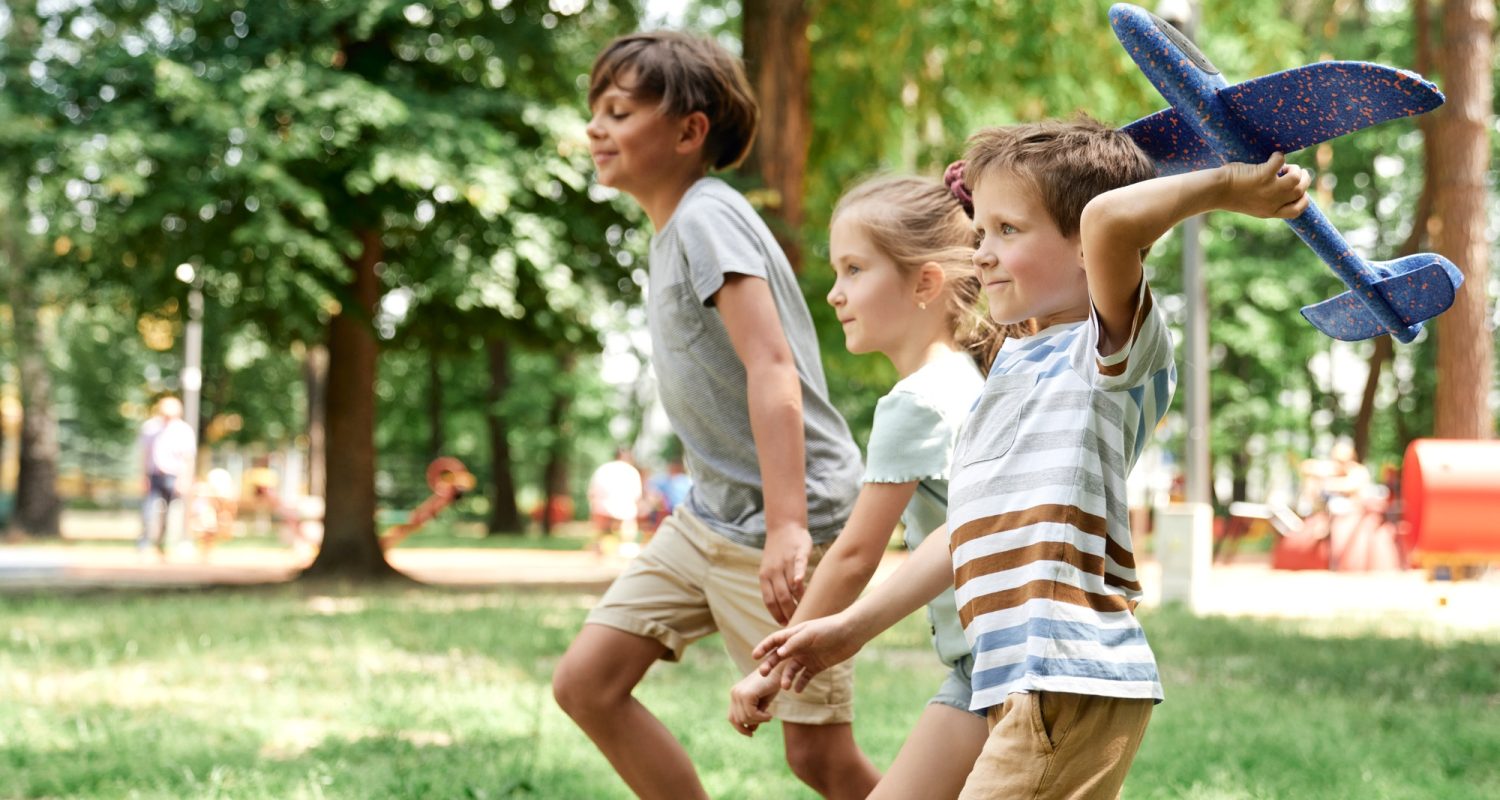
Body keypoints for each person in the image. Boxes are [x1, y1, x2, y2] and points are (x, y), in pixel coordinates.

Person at [754, 118, 1312, 798]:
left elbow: (1108, 219)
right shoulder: (1013, 366)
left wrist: (1226, 186)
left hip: (1065, 674)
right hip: (1011, 671)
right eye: (980, 232)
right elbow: (967, 529)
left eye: (1007, 232)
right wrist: (849, 629)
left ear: (1085, 250)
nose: (981, 253)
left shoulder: (1107, 355)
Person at [550, 31, 878, 800]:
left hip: (785, 520)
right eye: (594, 111)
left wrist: (790, 525)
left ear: (689, 130)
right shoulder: (675, 229)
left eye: (619, 110)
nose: (596, 128)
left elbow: (773, 368)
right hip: (707, 516)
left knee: (819, 759)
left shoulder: (707, 217)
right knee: (587, 684)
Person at [726, 173, 1028, 798]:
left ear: (924, 283)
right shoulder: (973, 380)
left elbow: (856, 554)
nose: (835, 294)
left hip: (993, 670)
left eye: (855, 270)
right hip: (1003, 660)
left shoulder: (915, 402)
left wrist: (776, 664)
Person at [136, 396, 197, 556]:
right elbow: (145, 454)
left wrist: (185, 479)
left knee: (174, 513)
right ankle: (146, 542)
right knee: (150, 510)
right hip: (154, 475)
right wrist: (143, 476)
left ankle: (169, 544)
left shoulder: (184, 430)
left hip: (174, 476)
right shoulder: (150, 428)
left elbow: (188, 458)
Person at [586, 448, 644, 555]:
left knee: (601, 527)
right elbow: (637, 495)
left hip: (602, 507)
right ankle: (627, 544)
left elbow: (592, 492)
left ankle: (599, 546)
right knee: (629, 523)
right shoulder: (631, 471)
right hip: (624, 508)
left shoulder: (603, 469)